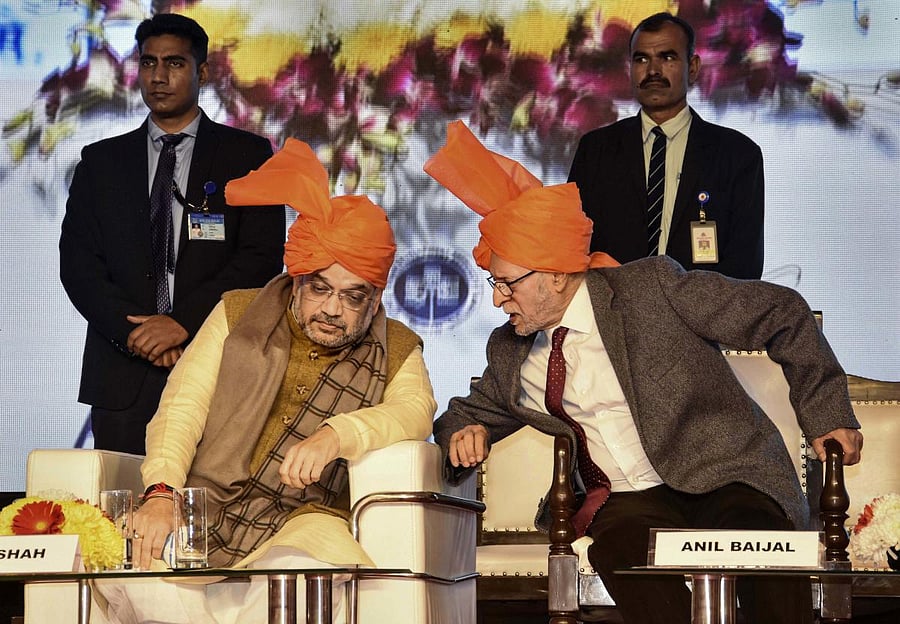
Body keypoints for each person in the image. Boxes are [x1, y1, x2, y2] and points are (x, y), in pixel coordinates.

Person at [425, 121, 862, 624]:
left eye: (507, 283)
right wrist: (464, 432)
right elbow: (463, 414)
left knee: (756, 539)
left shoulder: (649, 289)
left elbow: (782, 312)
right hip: (626, 500)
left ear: (556, 273)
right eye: (492, 283)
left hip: (722, 474)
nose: (498, 299)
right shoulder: (512, 349)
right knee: (621, 553)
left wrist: (827, 413)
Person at [96, 138, 436, 622]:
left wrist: (336, 435)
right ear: (297, 280)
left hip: (304, 522)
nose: (332, 310)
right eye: (319, 288)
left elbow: (414, 412)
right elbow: (181, 408)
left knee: (298, 579)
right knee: (142, 567)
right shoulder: (238, 312)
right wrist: (162, 494)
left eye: (352, 297)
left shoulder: (397, 345)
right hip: (203, 507)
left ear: (376, 299)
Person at [59, 13, 285, 455]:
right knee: (120, 513)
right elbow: (80, 266)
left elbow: (260, 259)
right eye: (148, 63)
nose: (158, 77)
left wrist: (181, 323)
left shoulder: (247, 155)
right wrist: (138, 336)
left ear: (202, 72)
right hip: (122, 376)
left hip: (216, 365)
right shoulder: (100, 162)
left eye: (175, 64)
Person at [568, 12, 764, 279]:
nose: (653, 71)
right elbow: (572, 249)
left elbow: (744, 268)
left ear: (692, 67)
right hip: (611, 315)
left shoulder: (737, 155)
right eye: (642, 59)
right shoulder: (596, 151)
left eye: (668, 57)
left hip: (701, 317)